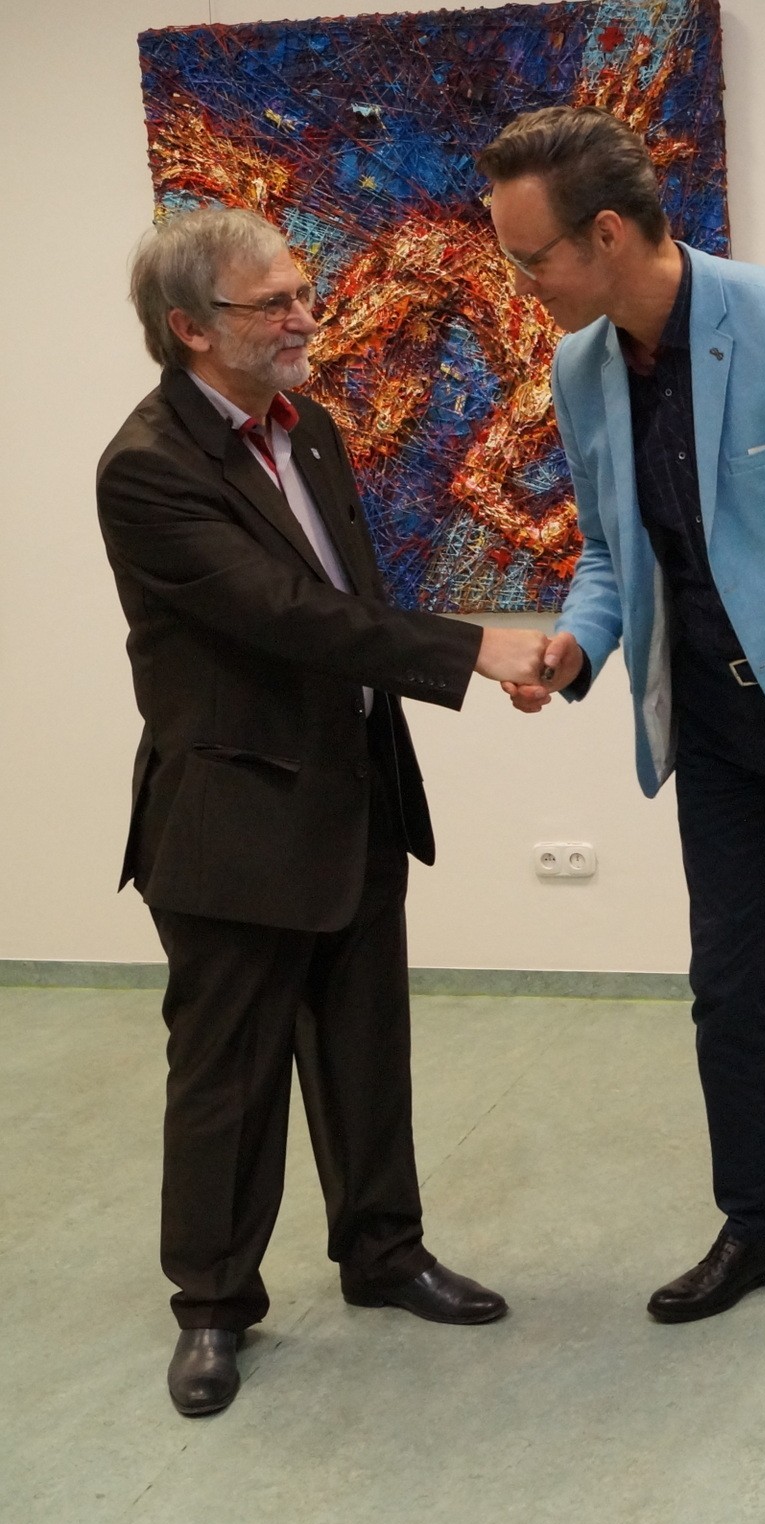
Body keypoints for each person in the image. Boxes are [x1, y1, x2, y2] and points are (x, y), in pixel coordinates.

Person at [479, 107, 765, 1380]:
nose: (520, 283)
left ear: (608, 233)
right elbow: (607, 550)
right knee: (723, 987)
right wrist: (576, 645)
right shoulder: (584, 368)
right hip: (715, 727)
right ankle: (762, 1227)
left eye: (531, 258)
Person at [97, 205, 548, 1416]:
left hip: (353, 793)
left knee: (364, 1049)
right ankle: (212, 1305)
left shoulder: (315, 433)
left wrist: (441, 662)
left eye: (304, 290)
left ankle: (384, 1252)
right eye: (276, 303)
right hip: (234, 816)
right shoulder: (148, 468)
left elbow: (350, 595)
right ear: (192, 329)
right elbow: (286, 615)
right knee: (229, 1077)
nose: (308, 316)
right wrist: (474, 651)